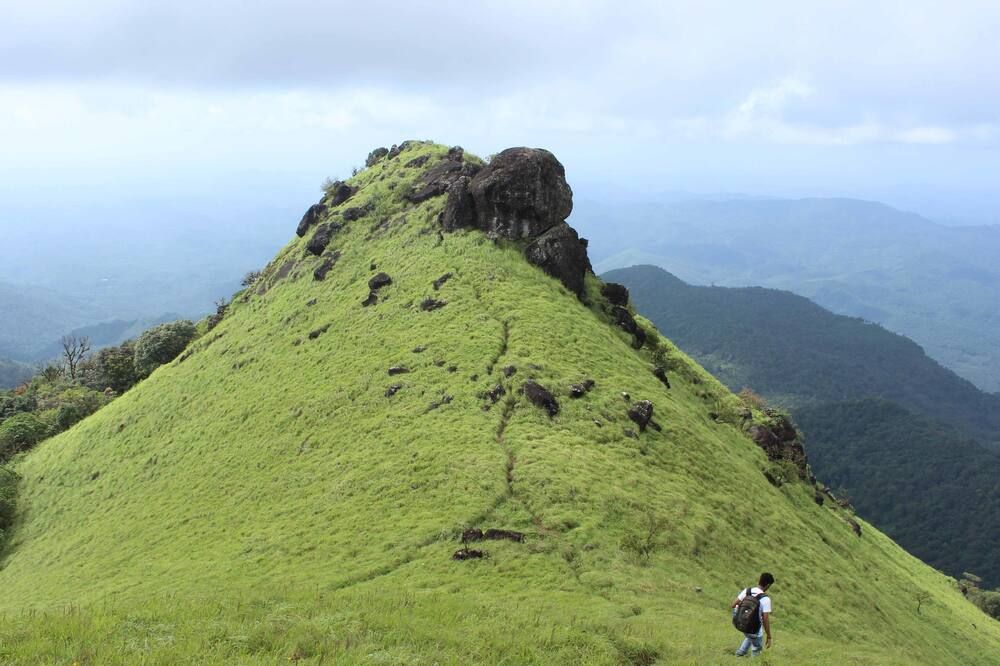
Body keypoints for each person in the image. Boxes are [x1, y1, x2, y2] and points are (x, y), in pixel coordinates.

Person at [730, 572, 774, 657]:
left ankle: (740, 654)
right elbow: (765, 620)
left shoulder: (747, 591)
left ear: (759, 580)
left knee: (751, 635)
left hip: (739, 623)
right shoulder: (765, 599)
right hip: (752, 627)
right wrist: (769, 636)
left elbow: (733, 605)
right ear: (768, 585)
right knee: (757, 646)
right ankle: (755, 660)